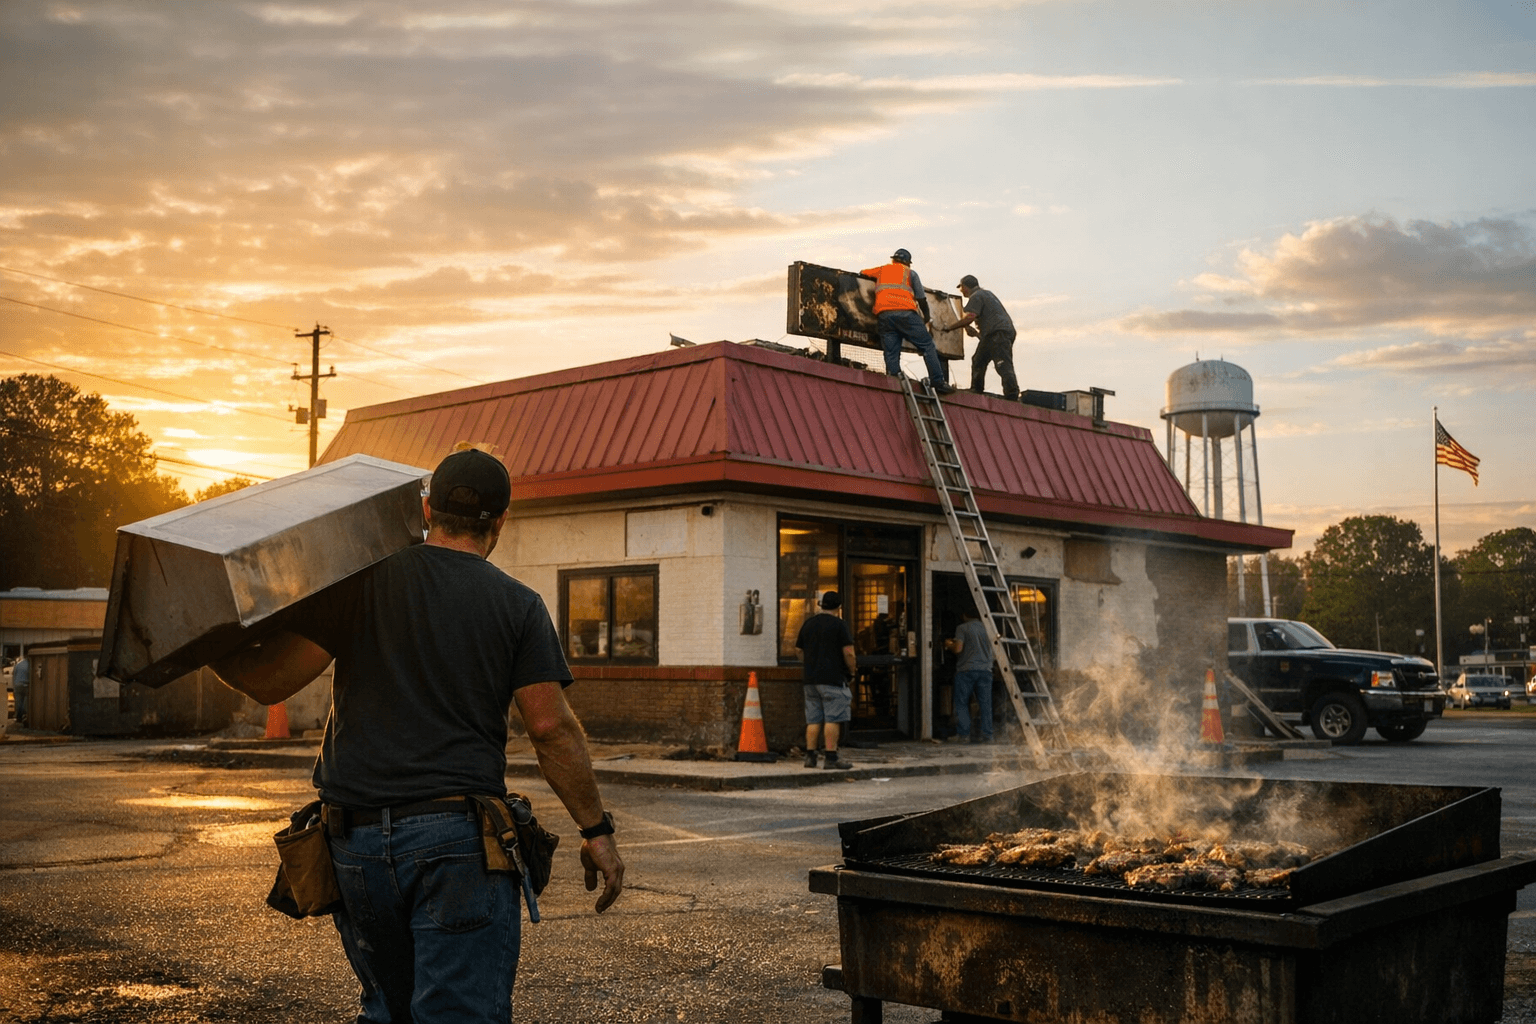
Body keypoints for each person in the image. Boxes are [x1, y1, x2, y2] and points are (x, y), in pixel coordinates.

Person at [211, 447, 624, 1024]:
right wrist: (596, 832)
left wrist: (201, 642)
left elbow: (270, 681)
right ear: (501, 522)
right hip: (456, 846)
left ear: (427, 509)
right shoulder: (518, 606)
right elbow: (551, 729)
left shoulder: (359, 585)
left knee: (387, 1010)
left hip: (351, 843)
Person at [861, 249, 954, 393]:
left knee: (891, 352)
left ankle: (893, 380)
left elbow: (862, 272)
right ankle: (938, 382)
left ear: (893, 260)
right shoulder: (911, 273)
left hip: (884, 315)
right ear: (907, 263)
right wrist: (926, 317)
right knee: (927, 346)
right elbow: (921, 299)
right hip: (906, 314)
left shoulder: (881, 270)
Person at [795, 590, 857, 770]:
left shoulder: (808, 624)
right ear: (839, 607)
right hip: (833, 678)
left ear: (821, 605)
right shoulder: (840, 625)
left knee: (813, 720)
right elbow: (849, 653)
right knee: (832, 718)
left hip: (810, 679)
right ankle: (831, 757)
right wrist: (852, 671)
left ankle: (810, 756)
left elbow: (798, 650)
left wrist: (809, 664)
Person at [955, 275, 1019, 401]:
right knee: (979, 360)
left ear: (966, 287)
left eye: (961, 288)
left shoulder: (976, 296)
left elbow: (970, 316)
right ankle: (977, 388)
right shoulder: (986, 294)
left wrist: (951, 327)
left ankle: (1012, 394)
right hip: (998, 333)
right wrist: (976, 333)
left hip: (998, 333)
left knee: (1002, 363)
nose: (961, 291)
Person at [945, 609, 994, 743]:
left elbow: (958, 648)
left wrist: (949, 645)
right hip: (985, 670)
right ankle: (988, 735)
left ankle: (964, 735)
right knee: (985, 704)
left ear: (965, 615)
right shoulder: (988, 627)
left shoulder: (962, 628)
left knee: (962, 703)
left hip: (966, 670)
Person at [11, 648, 28, 727]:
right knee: (25, 701)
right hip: (26, 684)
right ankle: (24, 716)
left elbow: (14, 675)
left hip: (17, 684)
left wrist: (14, 686)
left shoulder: (18, 665)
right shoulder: (30, 664)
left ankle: (18, 717)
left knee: (18, 701)